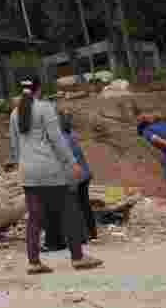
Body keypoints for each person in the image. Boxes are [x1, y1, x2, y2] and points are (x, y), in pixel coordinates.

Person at [9, 76, 102, 273]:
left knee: (34, 218)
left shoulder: (15, 113)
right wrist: (72, 162)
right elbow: (57, 139)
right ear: (39, 89)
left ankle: (34, 262)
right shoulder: (45, 108)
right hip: (50, 168)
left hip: (28, 171)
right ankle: (78, 258)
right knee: (69, 211)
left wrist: (22, 167)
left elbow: (15, 147)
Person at [44, 112, 95, 250]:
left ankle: (75, 237)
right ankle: (89, 234)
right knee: (83, 205)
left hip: (74, 177)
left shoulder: (62, 139)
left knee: (73, 207)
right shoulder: (71, 134)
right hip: (83, 174)